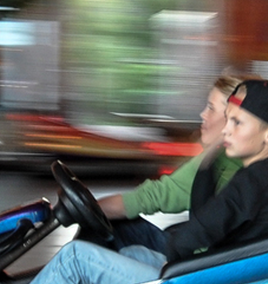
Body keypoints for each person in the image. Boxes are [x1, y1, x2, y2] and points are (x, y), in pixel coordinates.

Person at [1, 79, 268, 284]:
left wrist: (177, 259)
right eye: (228, 120)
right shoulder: (265, 175)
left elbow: (196, 232)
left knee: (75, 258)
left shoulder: (257, 179)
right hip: (205, 275)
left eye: (237, 123)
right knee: (128, 253)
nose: (227, 131)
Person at [95, 72, 254, 228]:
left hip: (203, 253)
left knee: (78, 251)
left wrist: (93, 210)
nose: (203, 114)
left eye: (211, 108)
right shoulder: (252, 160)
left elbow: (151, 197)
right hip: (210, 247)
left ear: (233, 117)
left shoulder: (218, 162)